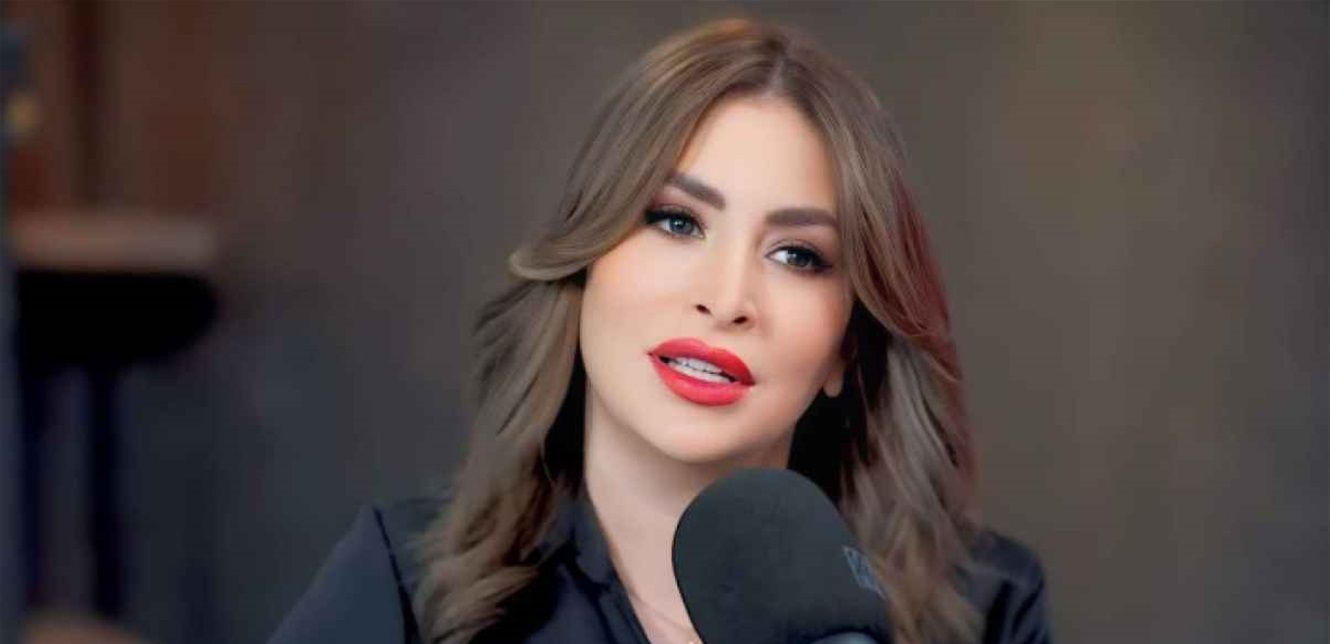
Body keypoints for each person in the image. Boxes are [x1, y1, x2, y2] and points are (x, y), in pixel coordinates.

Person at [268, 16, 1052, 644]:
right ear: (586, 260)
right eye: (677, 221)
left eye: (796, 254)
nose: (726, 298)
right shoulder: (407, 591)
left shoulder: (988, 608)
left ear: (846, 346)